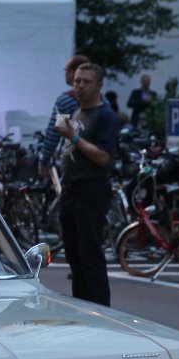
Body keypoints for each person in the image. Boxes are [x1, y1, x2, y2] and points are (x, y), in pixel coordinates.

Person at [55, 62, 119, 306]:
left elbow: (103, 157)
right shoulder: (76, 113)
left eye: (86, 82)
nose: (80, 86)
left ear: (99, 85)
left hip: (91, 189)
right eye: (77, 81)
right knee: (74, 257)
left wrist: (73, 137)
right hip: (70, 189)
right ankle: (81, 308)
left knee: (90, 256)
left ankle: (101, 311)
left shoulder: (105, 116)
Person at [38, 53, 90, 176]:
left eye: (65, 70)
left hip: (74, 162)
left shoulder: (65, 101)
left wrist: (44, 161)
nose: (64, 74)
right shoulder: (102, 100)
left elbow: (54, 133)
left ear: (72, 72)